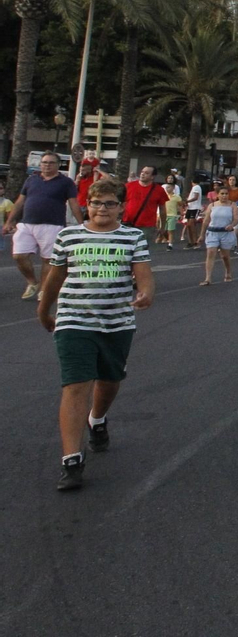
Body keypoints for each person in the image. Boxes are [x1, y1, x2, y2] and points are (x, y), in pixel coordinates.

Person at [37, 177, 155, 491]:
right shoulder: (69, 236)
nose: (102, 209)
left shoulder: (132, 237)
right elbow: (55, 277)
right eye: (96, 203)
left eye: (109, 203)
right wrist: (44, 310)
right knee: (76, 385)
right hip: (74, 320)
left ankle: (97, 419)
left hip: (116, 323)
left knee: (109, 380)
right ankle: (71, 460)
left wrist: (145, 293)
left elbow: (144, 275)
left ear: (121, 207)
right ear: (87, 205)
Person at [4, 151, 81, 301]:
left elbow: (73, 204)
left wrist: (81, 225)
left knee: (48, 260)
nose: (47, 165)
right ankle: (32, 282)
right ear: (40, 164)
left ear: (58, 165)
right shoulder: (31, 180)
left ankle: (44, 290)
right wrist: (9, 221)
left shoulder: (66, 182)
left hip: (52, 225)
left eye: (51, 162)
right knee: (19, 255)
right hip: (26, 223)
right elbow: (20, 201)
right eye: (44, 162)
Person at [201, 189, 238, 285]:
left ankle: (228, 272)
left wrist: (232, 225)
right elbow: (206, 220)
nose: (224, 196)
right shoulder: (212, 205)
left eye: (226, 194)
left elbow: (236, 218)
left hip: (226, 232)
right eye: (222, 194)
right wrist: (201, 234)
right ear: (218, 195)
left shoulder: (232, 205)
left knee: (225, 256)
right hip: (213, 232)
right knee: (211, 252)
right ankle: (208, 278)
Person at [159, 176, 182, 249]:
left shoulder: (176, 197)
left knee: (170, 230)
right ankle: (168, 239)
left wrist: (181, 214)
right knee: (163, 230)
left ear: (173, 188)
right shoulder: (163, 196)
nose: (167, 189)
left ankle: (170, 244)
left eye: (169, 187)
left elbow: (180, 205)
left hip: (172, 215)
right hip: (164, 215)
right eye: (166, 187)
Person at [183, 178, 204, 249]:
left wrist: (187, 201)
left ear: (192, 181)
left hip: (195, 208)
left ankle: (195, 241)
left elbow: (196, 197)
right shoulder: (194, 188)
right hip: (190, 208)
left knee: (191, 224)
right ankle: (191, 242)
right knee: (188, 225)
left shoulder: (196, 187)